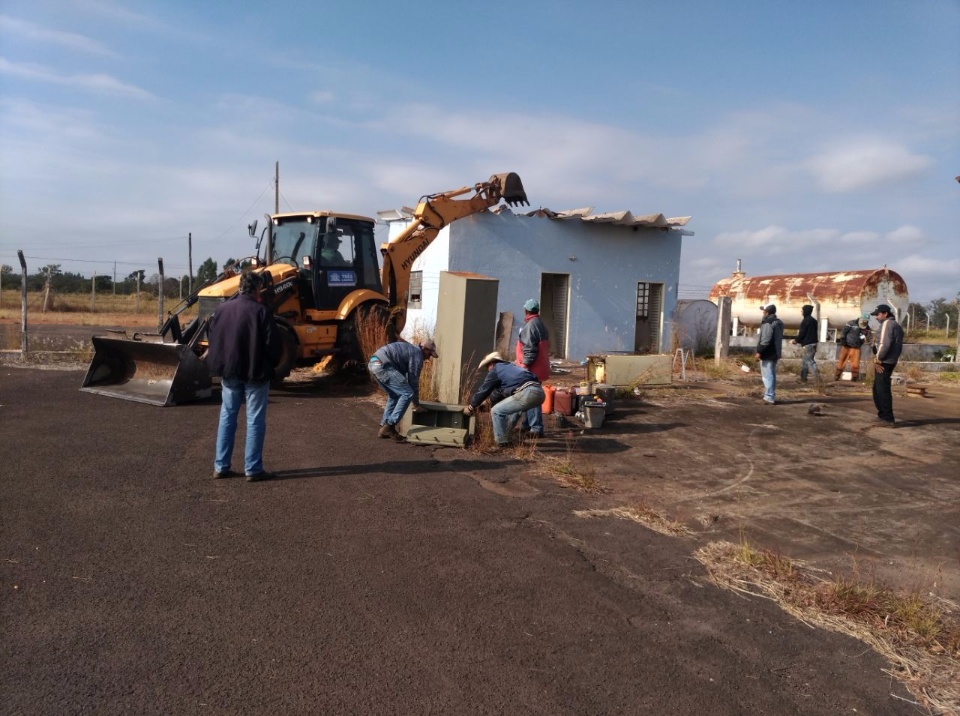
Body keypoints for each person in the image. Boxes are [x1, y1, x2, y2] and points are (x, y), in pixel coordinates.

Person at [205, 271, 282, 482]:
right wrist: (271, 367)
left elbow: (214, 337)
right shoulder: (261, 312)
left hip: (230, 372)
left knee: (227, 416)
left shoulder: (222, 309)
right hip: (256, 373)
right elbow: (273, 346)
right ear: (257, 289)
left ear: (240, 286)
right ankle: (253, 469)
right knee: (255, 420)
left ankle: (221, 466)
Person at [463, 352, 545, 449]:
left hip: (527, 392)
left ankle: (502, 442)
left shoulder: (495, 370)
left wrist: (471, 406)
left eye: (487, 366)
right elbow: (498, 393)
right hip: (539, 392)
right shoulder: (509, 368)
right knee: (514, 410)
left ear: (492, 364)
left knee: (496, 411)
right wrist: (487, 403)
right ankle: (507, 433)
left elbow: (484, 390)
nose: (487, 370)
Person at [369, 339, 438, 440]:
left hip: (373, 363)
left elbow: (405, 377)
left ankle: (384, 425)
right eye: (430, 354)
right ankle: (390, 426)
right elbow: (413, 382)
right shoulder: (417, 355)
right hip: (384, 366)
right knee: (407, 393)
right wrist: (416, 404)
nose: (429, 358)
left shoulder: (410, 349)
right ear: (425, 349)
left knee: (394, 395)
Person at [515, 298, 550, 437]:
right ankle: (527, 424)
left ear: (526, 310)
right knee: (529, 396)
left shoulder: (531, 326)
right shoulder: (540, 324)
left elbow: (530, 349)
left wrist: (524, 366)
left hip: (532, 369)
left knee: (532, 397)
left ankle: (536, 428)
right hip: (540, 367)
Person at [870, 304, 904, 427]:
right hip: (890, 360)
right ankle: (883, 415)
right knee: (877, 388)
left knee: (882, 389)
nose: (877, 317)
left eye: (878, 314)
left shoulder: (887, 324)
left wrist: (878, 359)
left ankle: (887, 418)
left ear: (885, 314)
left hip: (884, 361)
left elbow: (885, 344)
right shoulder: (896, 325)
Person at [754, 304, 784, 405]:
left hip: (768, 352)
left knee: (767, 375)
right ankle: (770, 394)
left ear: (767, 312)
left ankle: (769, 396)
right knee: (771, 374)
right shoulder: (778, 322)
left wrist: (759, 351)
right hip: (775, 351)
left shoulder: (768, 323)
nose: (763, 312)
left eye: (764, 311)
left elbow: (765, 340)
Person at [835, 315, 870, 381]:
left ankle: (854, 378)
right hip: (846, 346)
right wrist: (842, 338)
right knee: (841, 362)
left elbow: (866, 336)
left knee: (855, 364)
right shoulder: (851, 323)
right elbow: (843, 331)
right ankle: (837, 376)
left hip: (856, 348)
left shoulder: (866, 327)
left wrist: (862, 341)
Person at [792, 304, 819, 383]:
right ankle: (803, 379)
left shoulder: (806, 321)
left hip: (808, 344)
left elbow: (802, 333)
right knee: (805, 362)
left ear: (805, 311)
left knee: (810, 362)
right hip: (813, 343)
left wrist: (796, 340)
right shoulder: (814, 321)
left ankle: (818, 380)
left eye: (802, 310)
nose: (801, 312)